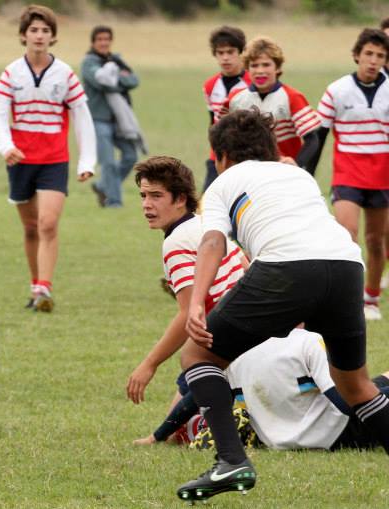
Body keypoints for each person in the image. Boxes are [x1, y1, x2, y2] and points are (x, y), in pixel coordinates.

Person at [176, 108, 389, 503]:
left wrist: (196, 304)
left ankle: (230, 461)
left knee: (196, 355)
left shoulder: (223, 182)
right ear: (270, 148)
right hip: (346, 265)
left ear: (221, 155)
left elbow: (212, 242)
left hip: (286, 267)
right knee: (356, 386)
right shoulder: (299, 175)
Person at [0, 4, 96, 312]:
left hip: (54, 159)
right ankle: (36, 286)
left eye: (45, 30)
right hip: (20, 160)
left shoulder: (65, 74)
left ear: (53, 36)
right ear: (23, 35)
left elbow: (82, 116)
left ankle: (45, 289)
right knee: (31, 227)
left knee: (48, 223)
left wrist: (87, 161)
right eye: (33, 30)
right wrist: (6, 147)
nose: (39, 35)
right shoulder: (12, 72)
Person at [137, 328, 389, 452]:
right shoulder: (308, 341)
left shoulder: (236, 352)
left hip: (278, 441)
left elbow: (197, 395)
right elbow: (347, 405)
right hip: (339, 434)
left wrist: (157, 436)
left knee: (381, 381)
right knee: (372, 390)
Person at [126, 156, 246, 407]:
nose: (146, 205)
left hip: (221, 345)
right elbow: (245, 265)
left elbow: (188, 314)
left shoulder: (176, 243)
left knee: (179, 426)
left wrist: (149, 364)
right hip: (247, 332)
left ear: (180, 199)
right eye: (143, 196)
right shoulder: (206, 224)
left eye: (156, 196)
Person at [310, 29, 389, 321]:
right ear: (357, 55)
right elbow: (318, 137)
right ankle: (347, 300)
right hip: (348, 174)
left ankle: (372, 299)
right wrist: (306, 175)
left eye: (380, 56)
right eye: (368, 54)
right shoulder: (337, 90)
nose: (373, 60)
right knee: (346, 236)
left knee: (376, 241)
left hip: (382, 176)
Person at [220, 37, 323, 173]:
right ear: (247, 68)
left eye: (266, 65)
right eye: (254, 65)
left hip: (282, 171)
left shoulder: (292, 97)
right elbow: (223, 136)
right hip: (248, 172)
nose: (260, 71)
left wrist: (297, 163)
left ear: (277, 67)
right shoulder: (235, 99)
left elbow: (312, 139)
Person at [81, 25, 141, 208]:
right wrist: (120, 79)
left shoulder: (116, 60)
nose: (103, 43)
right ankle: (114, 202)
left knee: (131, 156)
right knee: (108, 162)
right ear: (93, 42)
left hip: (119, 120)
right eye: (100, 39)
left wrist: (116, 78)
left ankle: (102, 186)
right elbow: (101, 82)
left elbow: (134, 80)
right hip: (98, 119)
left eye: (106, 39)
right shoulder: (88, 62)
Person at [201, 26, 249, 190]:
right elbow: (212, 121)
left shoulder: (253, 83)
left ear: (241, 52)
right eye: (220, 53)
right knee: (207, 200)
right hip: (218, 155)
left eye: (230, 52)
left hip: (246, 155)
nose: (225, 58)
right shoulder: (210, 85)